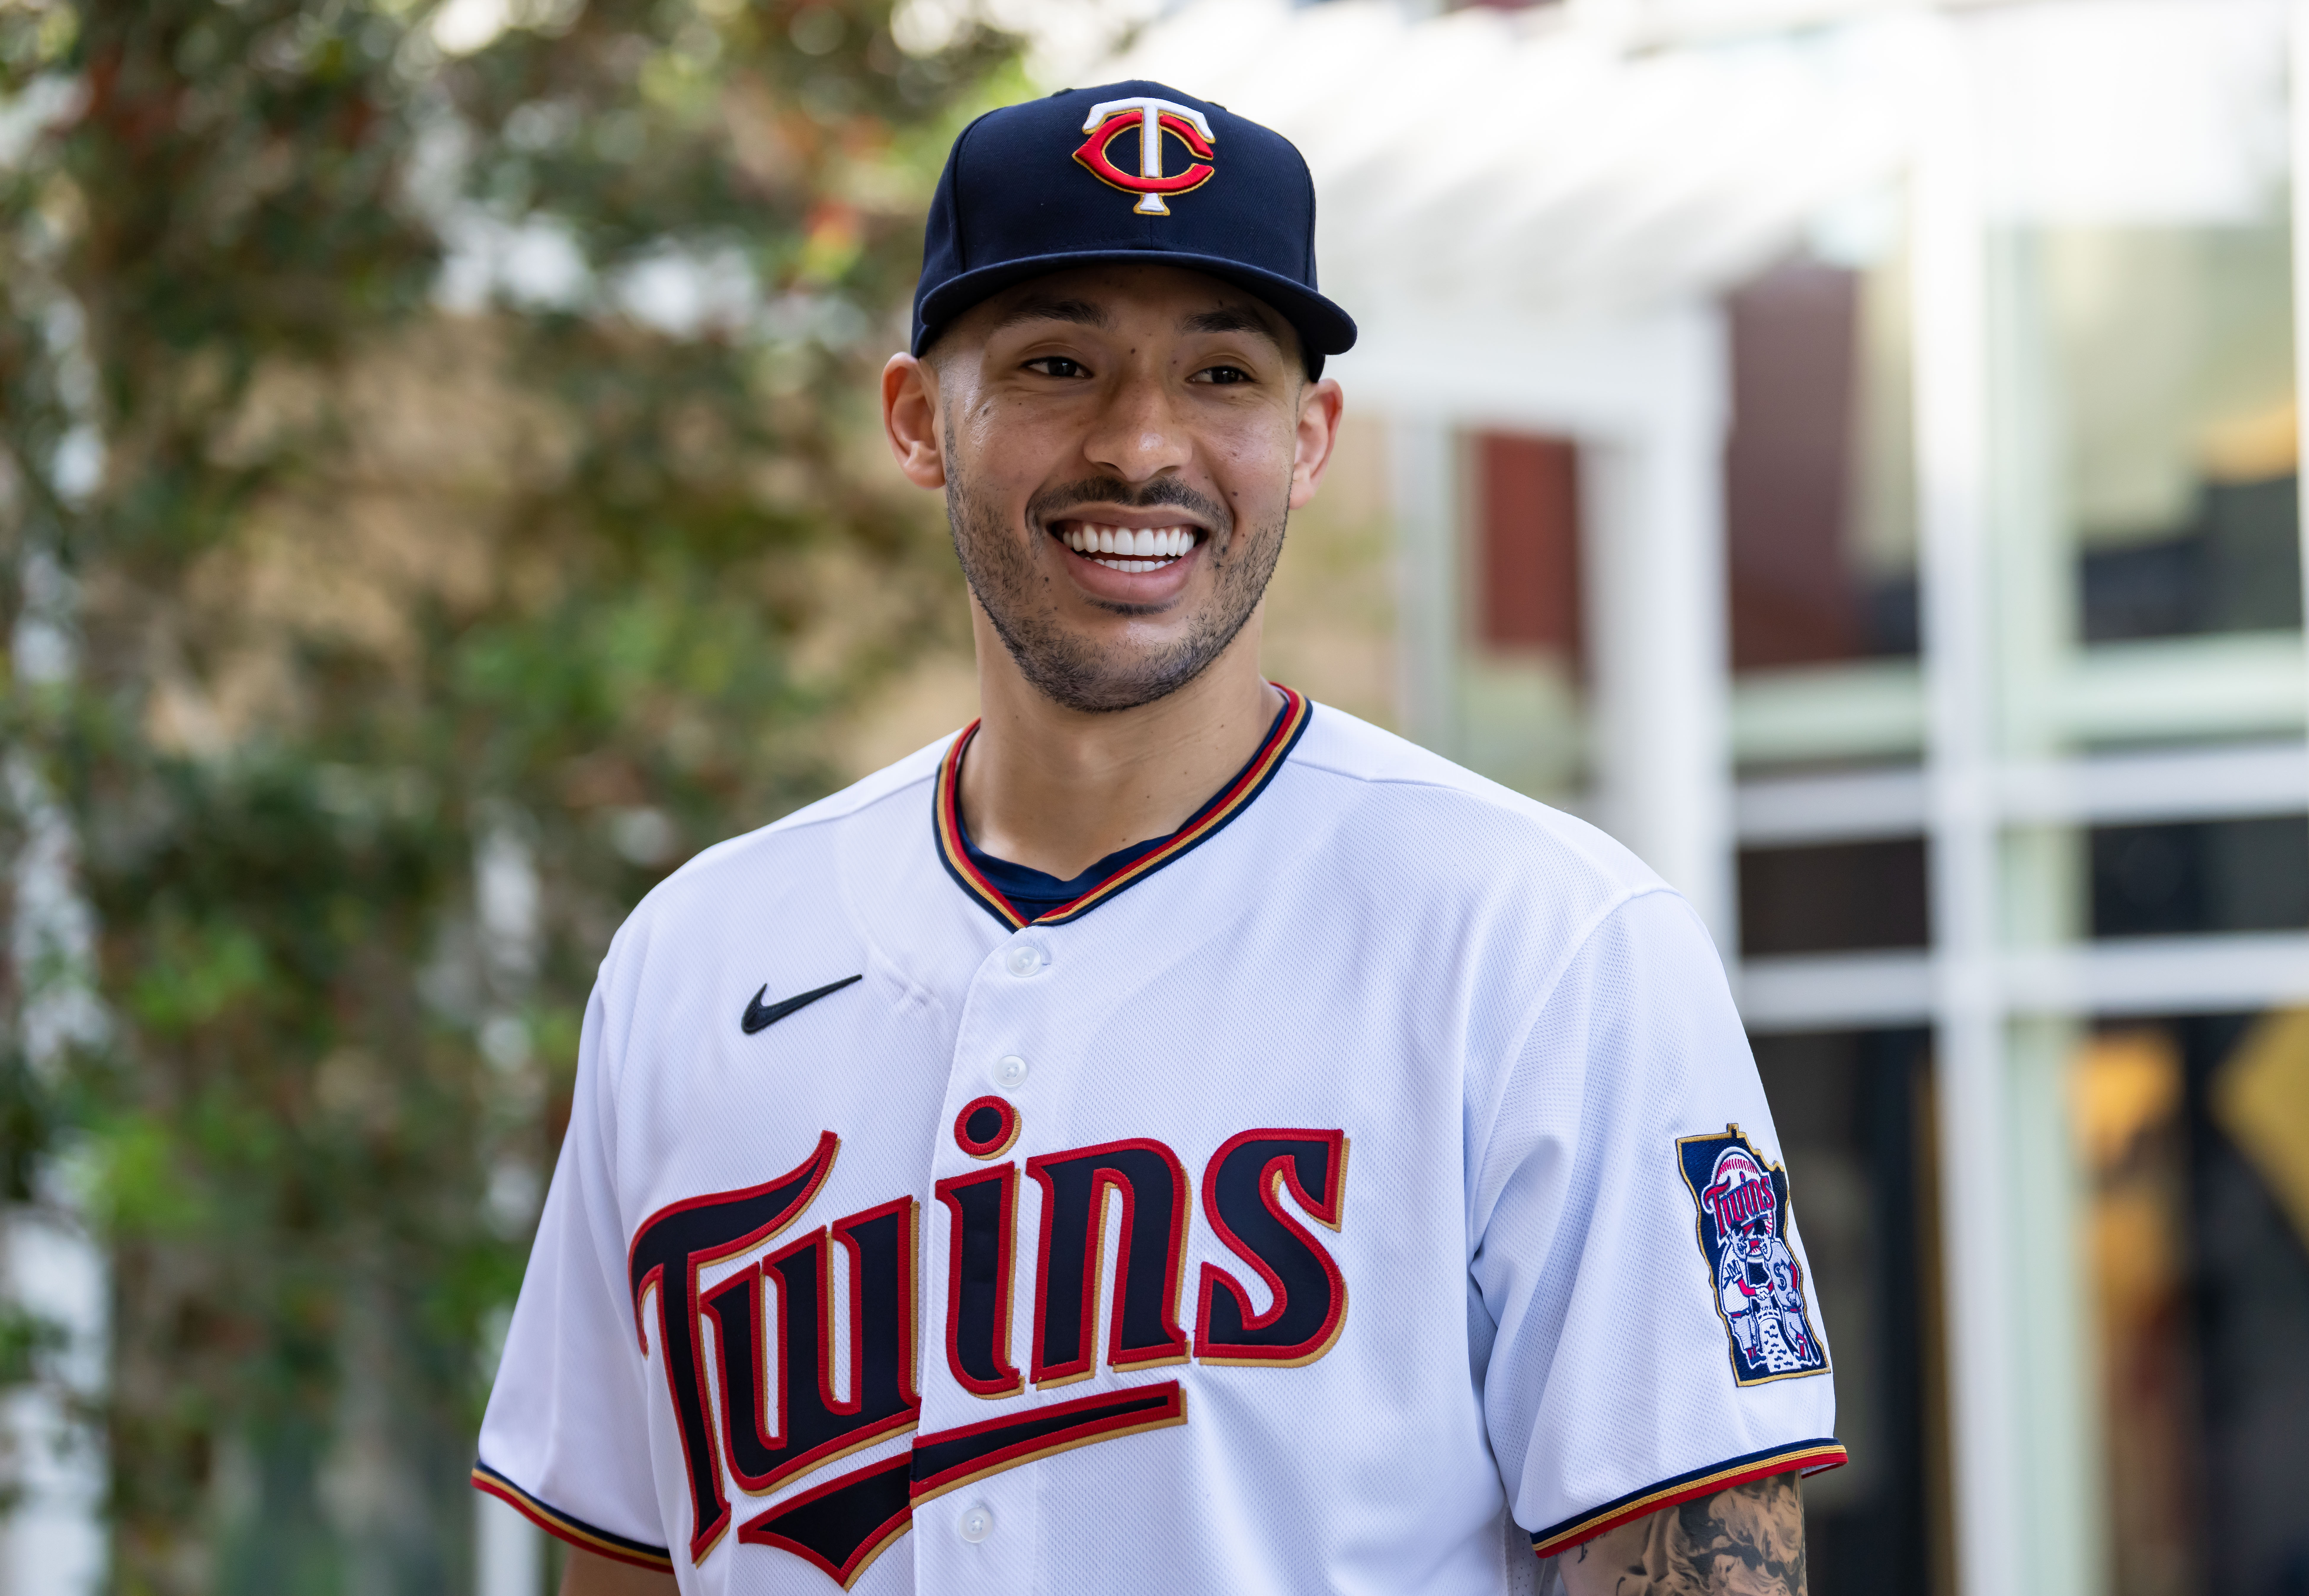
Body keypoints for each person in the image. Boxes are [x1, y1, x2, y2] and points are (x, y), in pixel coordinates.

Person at [473, 80, 1841, 1596]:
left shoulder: (1544, 946)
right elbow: (620, 1552)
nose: (1141, 446)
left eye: (1221, 375)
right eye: (1056, 365)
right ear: (919, 421)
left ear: (1311, 439)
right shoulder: (693, 956)